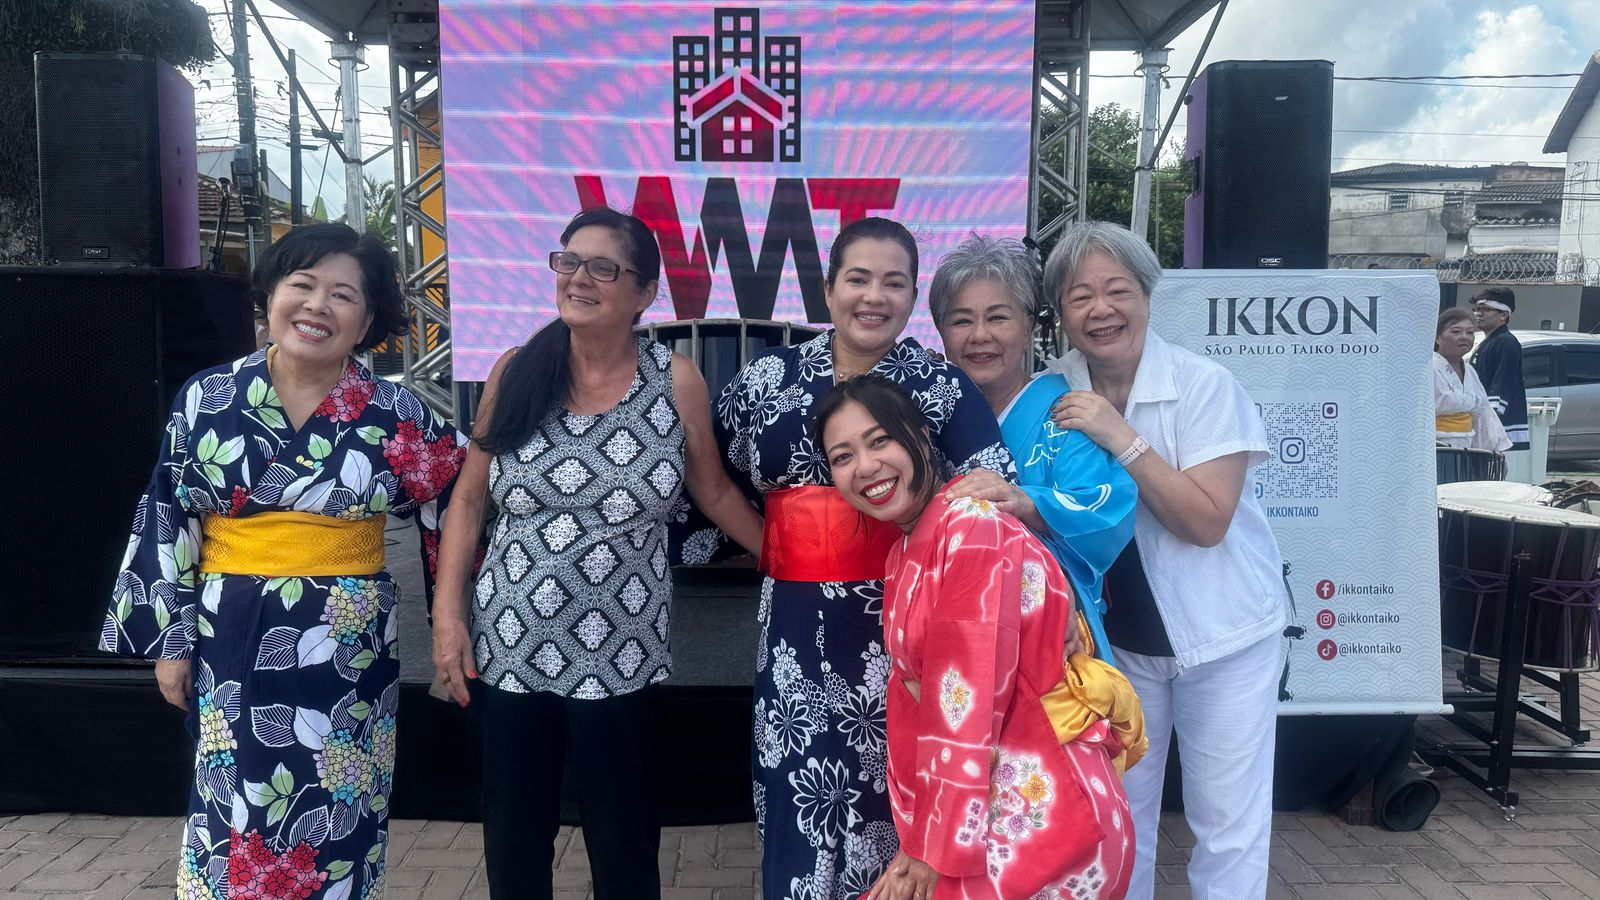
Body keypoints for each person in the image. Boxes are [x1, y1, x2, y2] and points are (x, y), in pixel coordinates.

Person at [101, 222, 466, 898]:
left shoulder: (397, 413)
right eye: (303, 285)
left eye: (343, 295)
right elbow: (169, 516)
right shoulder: (208, 398)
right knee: (229, 794)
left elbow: (459, 499)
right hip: (228, 628)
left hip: (347, 639)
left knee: (343, 793)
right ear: (271, 293)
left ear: (367, 322)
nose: (318, 306)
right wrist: (171, 644)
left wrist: (452, 622)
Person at [429, 207, 764, 900]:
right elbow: (468, 500)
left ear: (645, 293)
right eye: (569, 261)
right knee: (514, 834)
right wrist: (447, 616)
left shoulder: (674, 380)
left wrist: (802, 562)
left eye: (603, 267)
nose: (579, 278)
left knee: (624, 835)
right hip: (510, 645)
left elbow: (712, 490)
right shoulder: (518, 369)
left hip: (620, 653)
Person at [714, 217, 1015, 897]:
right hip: (794, 625)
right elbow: (711, 481)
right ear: (827, 289)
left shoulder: (941, 386)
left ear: (912, 297)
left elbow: (990, 492)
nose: (874, 296)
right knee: (799, 796)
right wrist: (774, 544)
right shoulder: (766, 380)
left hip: (903, 623)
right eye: (858, 279)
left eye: (894, 283)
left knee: (895, 796)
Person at [814, 375, 1143, 900]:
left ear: (922, 436)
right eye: (843, 456)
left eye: (880, 441)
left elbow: (964, 702)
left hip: (1043, 808)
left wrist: (931, 849)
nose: (867, 466)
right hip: (990, 799)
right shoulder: (905, 550)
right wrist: (921, 840)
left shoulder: (971, 525)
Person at [1044, 222, 1287, 899]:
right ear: (1059, 312)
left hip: (1225, 638)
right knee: (1117, 819)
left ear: (1147, 296)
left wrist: (1119, 435)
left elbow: (1205, 522)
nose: (1101, 310)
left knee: (1228, 825)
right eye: (1080, 296)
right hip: (1117, 645)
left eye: (1118, 290)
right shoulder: (1050, 393)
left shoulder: (1203, 385)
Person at [929, 234, 1137, 663]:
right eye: (962, 320)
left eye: (998, 317)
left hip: (1047, 632)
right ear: (941, 331)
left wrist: (1028, 502)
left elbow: (1108, 511)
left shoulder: (1065, 413)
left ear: (1028, 326)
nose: (980, 335)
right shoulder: (929, 419)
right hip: (949, 631)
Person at [1435, 307, 1510, 451]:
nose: (1464, 337)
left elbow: (1483, 414)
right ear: (1437, 337)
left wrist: (1493, 450)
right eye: (1456, 331)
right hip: (1435, 448)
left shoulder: (1470, 371)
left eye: (1470, 332)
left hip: (1465, 449)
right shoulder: (1428, 369)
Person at [1470, 287, 1529, 451]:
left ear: (1503, 315)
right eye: (1477, 309)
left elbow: (1503, 381)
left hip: (1498, 423)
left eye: (1485, 310)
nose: (1478, 314)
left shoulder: (1507, 342)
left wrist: (1491, 416)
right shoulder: (1490, 342)